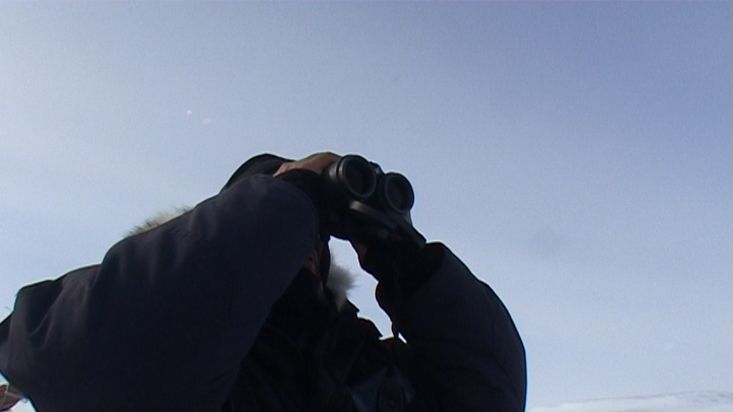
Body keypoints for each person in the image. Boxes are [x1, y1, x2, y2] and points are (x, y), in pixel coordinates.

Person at [0, 152, 527, 412]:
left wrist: (408, 263)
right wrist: (294, 195)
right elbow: (96, 359)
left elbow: (488, 393)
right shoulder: (165, 334)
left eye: (316, 238)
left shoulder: (355, 359)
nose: (307, 249)